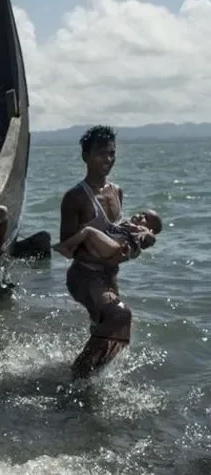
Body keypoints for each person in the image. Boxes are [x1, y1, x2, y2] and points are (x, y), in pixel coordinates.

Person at [59, 126, 141, 378]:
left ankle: (89, 377)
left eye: (112, 154)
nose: (108, 159)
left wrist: (134, 240)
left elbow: (115, 230)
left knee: (114, 333)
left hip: (109, 275)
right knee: (120, 314)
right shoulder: (75, 197)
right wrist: (99, 247)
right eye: (101, 154)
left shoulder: (117, 192)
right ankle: (77, 374)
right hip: (84, 275)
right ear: (85, 156)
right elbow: (66, 249)